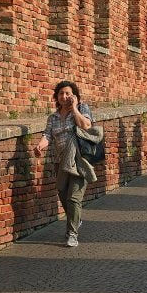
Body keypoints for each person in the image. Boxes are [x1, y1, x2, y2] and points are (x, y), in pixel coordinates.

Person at [33, 80, 101, 247]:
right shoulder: (53, 117)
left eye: (68, 93)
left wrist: (75, 108)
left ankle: (72, 234)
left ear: (74, 96)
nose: (64, 96)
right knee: (63, 196)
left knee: (73, 199)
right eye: (61, 93)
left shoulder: (82, 109)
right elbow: (48, 135)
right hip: (61, 162)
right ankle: (76, 219)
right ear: (56, 96)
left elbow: (86, 125)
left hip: (79, 161)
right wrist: (40, 145)